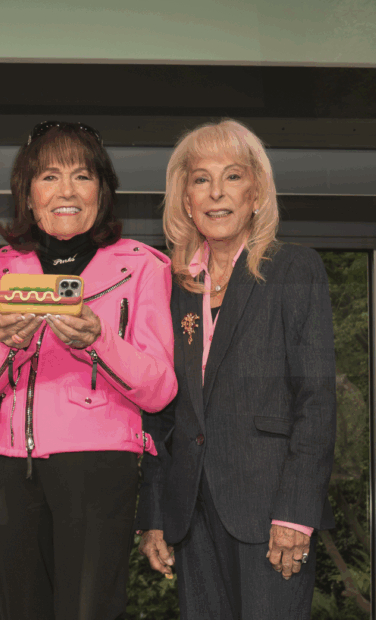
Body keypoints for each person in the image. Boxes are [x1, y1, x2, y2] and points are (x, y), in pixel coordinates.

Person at [0, 121, 177, 620]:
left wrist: (100, 341)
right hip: (4, 466)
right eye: (49, 176)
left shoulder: (143, 266)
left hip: (99, 465)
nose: (66, 191)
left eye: (82, 176)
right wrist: (7, 346)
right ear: (28, 195)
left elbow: (161, 388)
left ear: (102, 189)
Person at [137, 119, 336, 619]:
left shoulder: (294, 269)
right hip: (192, 512)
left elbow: (316, 402)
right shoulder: (173, 284)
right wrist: (156, 514)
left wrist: (295, 510)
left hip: (272, 511)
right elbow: (160, 411)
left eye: (233, 176)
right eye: (201, 179)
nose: (216, 193)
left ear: (257, 192)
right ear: (185, 198)